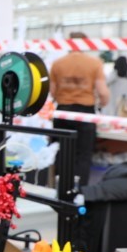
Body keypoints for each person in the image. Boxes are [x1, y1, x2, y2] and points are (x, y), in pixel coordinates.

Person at [49, 31, 110, 187]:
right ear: (85, 44)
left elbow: (52, 91)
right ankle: (80, 192)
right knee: (83, 155)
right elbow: (102, 92)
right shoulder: (94, 63)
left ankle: (60, 188)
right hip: (85, 113)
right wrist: (102, 103)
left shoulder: (58, 64)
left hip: (62, 111)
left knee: (62, 152)